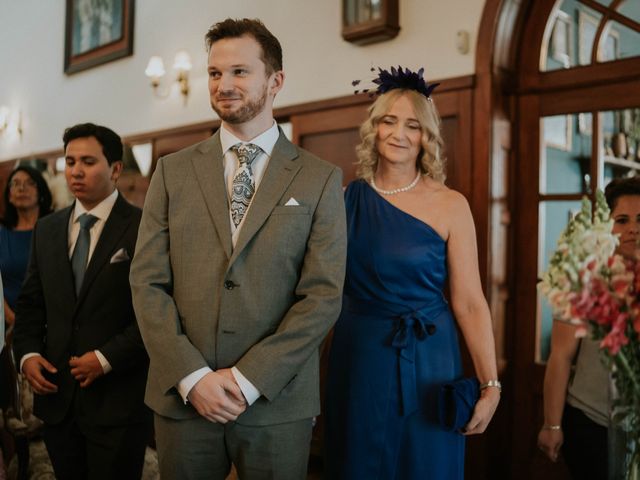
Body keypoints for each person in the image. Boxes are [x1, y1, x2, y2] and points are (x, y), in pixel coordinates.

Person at [130, 18, 346, 479]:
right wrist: (193, 377)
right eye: (214, 73)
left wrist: (247, 381)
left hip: (276, 400)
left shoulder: (319, 178)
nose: (224, 84)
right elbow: (147, 282)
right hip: (183, 400)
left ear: (276, 81)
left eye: (240, 72)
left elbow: (322, 296)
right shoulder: (171, 172)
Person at [324, 67, 501, 479]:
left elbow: (471, 302)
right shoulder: (346, 200)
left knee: (425, 463)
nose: (398, 133)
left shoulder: (451, 204)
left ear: (426, 137)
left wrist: (491, 385)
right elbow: (322, 291)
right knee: (358, 460)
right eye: (389, 121)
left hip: (429, 358)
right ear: (374, 127)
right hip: (359, 355)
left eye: (413, 125)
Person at [12, 123, 152, 480]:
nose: (75, 170)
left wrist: (105, 359)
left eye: (88, 161)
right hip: (58, 400)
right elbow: (30, 304)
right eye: (70, 160)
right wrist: (27, 355)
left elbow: (156, 313)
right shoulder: (48, 229)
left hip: (118, 400)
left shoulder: (145, 226)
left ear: (116, 169)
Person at [538, 176, 640, 479]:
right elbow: (560, 357)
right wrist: (551, 425)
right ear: (606, 227)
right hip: (593, 424)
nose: (633, 228)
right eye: (622, 220)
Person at [0, 166, 52, 412]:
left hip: (52, 320)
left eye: (29, 183)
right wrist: (12, 318)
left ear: (41, 191)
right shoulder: (2, 234)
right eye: (15, 183)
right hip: (8, 321)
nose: (21, 188)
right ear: (8, 194)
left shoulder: (56, 228)